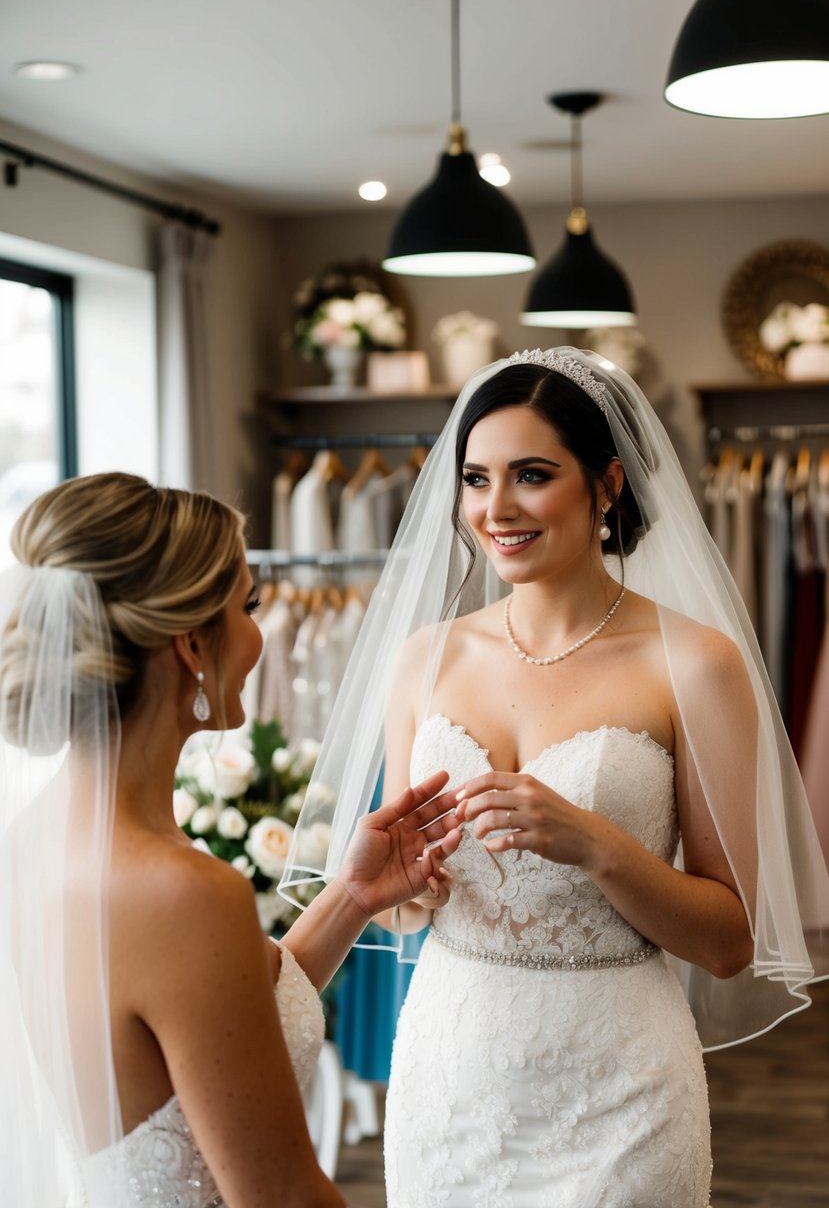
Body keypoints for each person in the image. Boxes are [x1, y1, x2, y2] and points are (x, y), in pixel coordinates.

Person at [282, 348, 829, 1207]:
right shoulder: (424, 660)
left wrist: (599, 846)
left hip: (619, 1085)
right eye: (475, 478)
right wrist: (395, 888)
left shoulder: (694, 663)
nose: (494, 509)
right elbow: (418, 901)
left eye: (530, 475)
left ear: (606, 485)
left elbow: (727, 943)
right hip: (450, 1071)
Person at [0, 472, 459, 1208]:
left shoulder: (33, 839)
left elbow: (221, 1022)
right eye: (248, 604)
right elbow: (283, 1198)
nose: (257, 631)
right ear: (190, 643)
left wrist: (353, 897)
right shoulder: (180, 891)